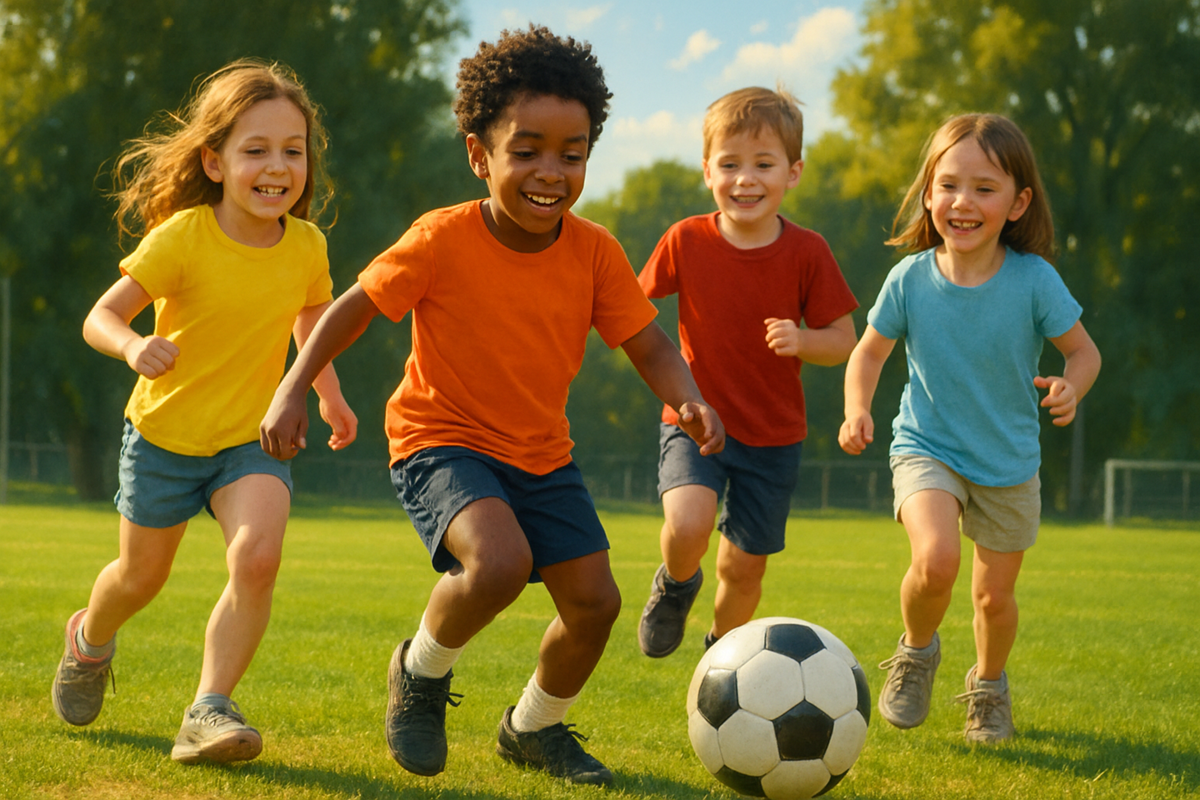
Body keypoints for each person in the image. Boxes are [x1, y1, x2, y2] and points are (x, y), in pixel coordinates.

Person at [260, 26, 724, 786]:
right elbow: (351, 310)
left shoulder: (596, 252)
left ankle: (533, 728)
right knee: (500, 563)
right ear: (480, 155)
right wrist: (293, 387)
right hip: (439, 439)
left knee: (596, 604)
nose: (551, 173)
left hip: (541, 454)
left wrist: (689, 399)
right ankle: (419, 672)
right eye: (528, 150)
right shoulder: (440, 239)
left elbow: (649, 345)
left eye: (572, 154)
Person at [52, 59, 357, 765]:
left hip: (249, 440)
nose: (277, 167)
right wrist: (133, 346)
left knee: (258, 558)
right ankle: (89, 640)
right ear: (215, 162)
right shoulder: (184, 235)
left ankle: (208, 709)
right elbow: (101, 317)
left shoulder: (307, 245)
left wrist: (328, 394)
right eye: (256, 150)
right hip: (163, 436)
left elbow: (310, 325)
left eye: (293, 150)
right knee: (140, 579)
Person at [838, 113, 1101, 743]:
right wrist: (857, 408)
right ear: (929, 195)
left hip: (1008, 460)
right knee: (936, 559)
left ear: (1018, 203)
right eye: (949, 185)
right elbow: (868, 353)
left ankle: (988, 687)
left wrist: (1071, 385)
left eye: (985, 188)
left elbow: (1084, 353)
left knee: (993, 599)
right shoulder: (909, 278)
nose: (963, 202)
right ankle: (916, 651)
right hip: (926, 444)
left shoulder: (1033, 280)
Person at [635, 86, 858, 659]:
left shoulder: (808, 251)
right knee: (688, 525)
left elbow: (843, 341)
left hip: (773, 436)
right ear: (707, 170)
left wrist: (803, 339)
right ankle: (676, 585)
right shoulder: (685, 239)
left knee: (743, 568)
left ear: (793, 172)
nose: (745, 179)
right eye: (730, 164)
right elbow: (629, 307)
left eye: (763, 164)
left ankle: (721, 660)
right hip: (694, 418)